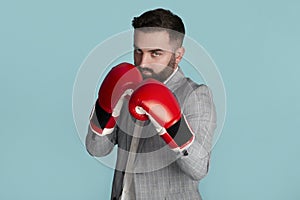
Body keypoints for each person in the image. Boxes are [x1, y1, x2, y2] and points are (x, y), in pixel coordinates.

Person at [85, 8, 217, 200]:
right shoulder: (126, 86)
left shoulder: (194, 95)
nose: (143, 62)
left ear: (178, 55)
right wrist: (105, 107)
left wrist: (172, 126)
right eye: (138, 51)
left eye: (155, 53)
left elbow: (199, 169)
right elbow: (96, 149)